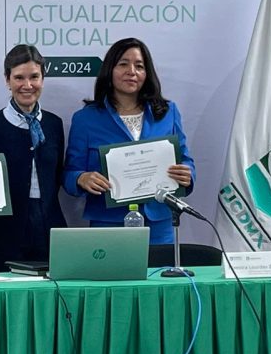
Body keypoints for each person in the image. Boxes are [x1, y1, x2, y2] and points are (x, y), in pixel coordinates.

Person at [63, 37, 195, 243]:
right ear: (110, 70)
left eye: (139, 66)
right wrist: (81, 178)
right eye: (123, 64)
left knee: (159, 275)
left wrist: (187, 174)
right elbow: (70, 174)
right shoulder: (86, 118)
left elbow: (186, 160)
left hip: (158, 224)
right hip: (108, 223)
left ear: (147, 73)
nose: (131, 71)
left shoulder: (169, 113)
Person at [0, 44, 67, 272]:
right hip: (3, 233)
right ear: (7, 80)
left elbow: (56, 177)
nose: (27, 85)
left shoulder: (54, 124)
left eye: (34, 77)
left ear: (43, 79)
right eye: (19, 78)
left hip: (49, 228)